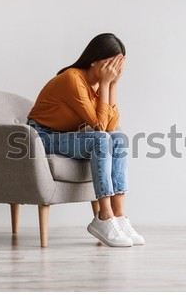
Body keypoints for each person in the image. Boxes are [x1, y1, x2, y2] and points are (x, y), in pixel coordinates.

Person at [27, 33, 144, 247]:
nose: (112, 70)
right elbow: (100, 126)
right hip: (40, 137)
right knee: (100, 140)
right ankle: (104, 217)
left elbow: (110, 127)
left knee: (118, 137)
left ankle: (119, 215)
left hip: (65, 136)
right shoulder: (73, 78)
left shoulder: (99, 84)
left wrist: (112, 84)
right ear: (94, 60)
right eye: (109, 64)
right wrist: (107, 84)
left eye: (117, 65)